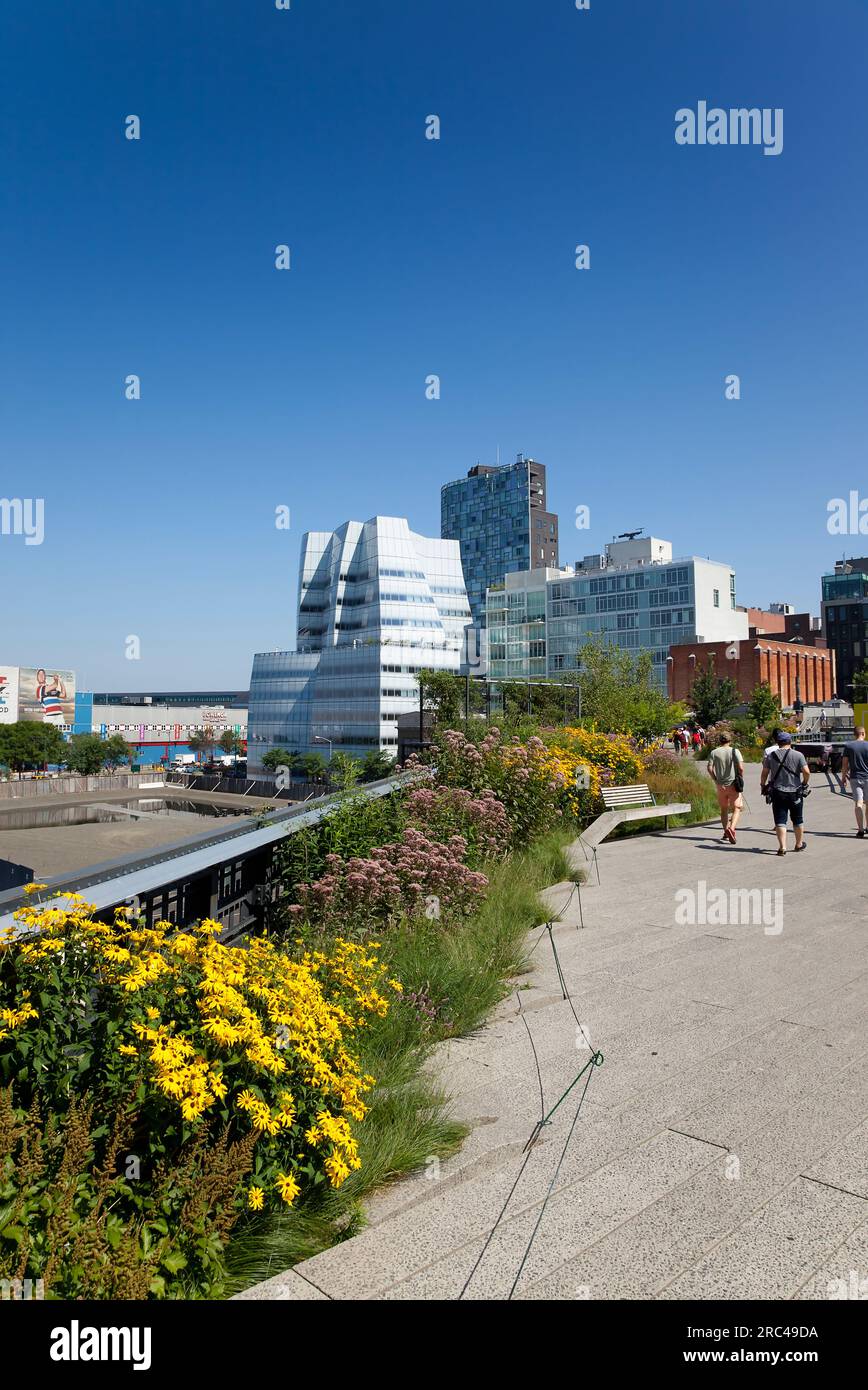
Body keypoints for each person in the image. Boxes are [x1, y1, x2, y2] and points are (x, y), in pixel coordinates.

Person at [760, 731, 810, 856]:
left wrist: (763, 785)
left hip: (777, 792)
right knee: (798, 819)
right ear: (790, 742)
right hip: (795, 792)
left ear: (778, 742)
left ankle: (782, 847)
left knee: (780, 820)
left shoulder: (771, 756)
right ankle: (798, 844)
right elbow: (807, 772)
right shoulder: (798, 755)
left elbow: (764, 772)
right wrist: (804, 783)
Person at [707, 731, 744, 844]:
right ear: (730, 740)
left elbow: (709, 768)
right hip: (733, 784)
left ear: (720, 741)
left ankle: (725, 831)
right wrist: (740, 778)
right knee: (737, 808)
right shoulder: (735, 751)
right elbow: (741, 768)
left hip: (720, 785)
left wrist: (715, 779)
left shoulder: (714, 752)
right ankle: (731, 829)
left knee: (724, 809)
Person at [841, 726, 868, 837]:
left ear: (855, 734)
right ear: (862, 733)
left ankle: (860, 830)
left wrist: (843, 777)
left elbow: (845, 764)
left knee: (858, 804)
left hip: (855, 778)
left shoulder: (848, 746)